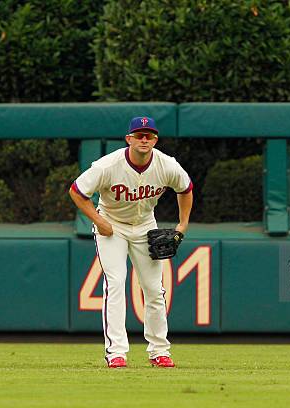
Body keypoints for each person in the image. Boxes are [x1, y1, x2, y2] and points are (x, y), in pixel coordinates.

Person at [69, 116, 193, 368]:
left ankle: (160, 350)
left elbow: (186, 189)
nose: (144, 139)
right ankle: (116, 352)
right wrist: (98, 219)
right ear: (129, 139)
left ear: (155, 140)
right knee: (115, 284)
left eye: (149, 135)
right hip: (111, 227)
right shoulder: (108, 165)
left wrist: (182, 225)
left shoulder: (166, 165)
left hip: (146, 225)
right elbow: (77, 191)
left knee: (154, 289)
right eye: (139, 135)